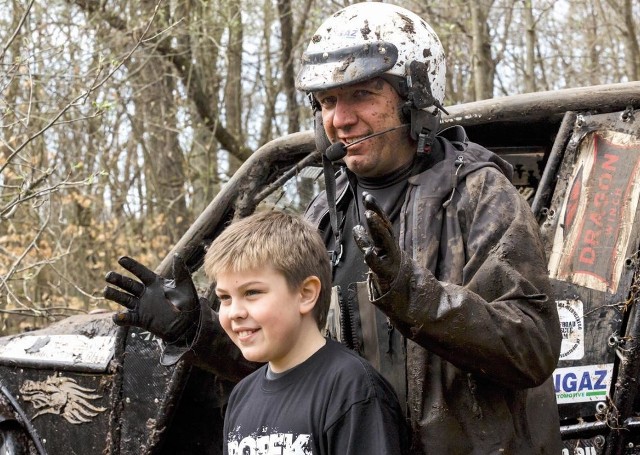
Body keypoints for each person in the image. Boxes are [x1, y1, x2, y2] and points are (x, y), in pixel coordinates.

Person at [104, 2, 563, 453]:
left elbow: (532, 348)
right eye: (327, 101)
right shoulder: (325, 211)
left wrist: (413, 295)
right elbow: (297, 361)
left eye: (362, 94)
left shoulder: (479, 194)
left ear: (415, 97)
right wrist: (196, 331)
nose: (340, 119)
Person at [202, 210, 408, 454]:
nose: (235, 312)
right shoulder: (241, 396)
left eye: (252, 293)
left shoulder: (352, 390)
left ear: (306, 294)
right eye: (225, 298)